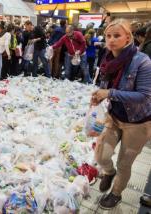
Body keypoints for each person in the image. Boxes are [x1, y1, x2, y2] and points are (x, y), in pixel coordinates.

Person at [91, 19, 151, 210]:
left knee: (124, 163)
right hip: (114, 116)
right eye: (108, 36)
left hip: (138, 122)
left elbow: (144, 95)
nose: (111, 40)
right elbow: (104, 83)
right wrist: (99, 96)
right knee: (100, 154)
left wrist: (109, 93)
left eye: (117, 35)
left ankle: (116, 193)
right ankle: (108, 172)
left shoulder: (142, 61)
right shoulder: (107, 58)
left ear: (128, 37)